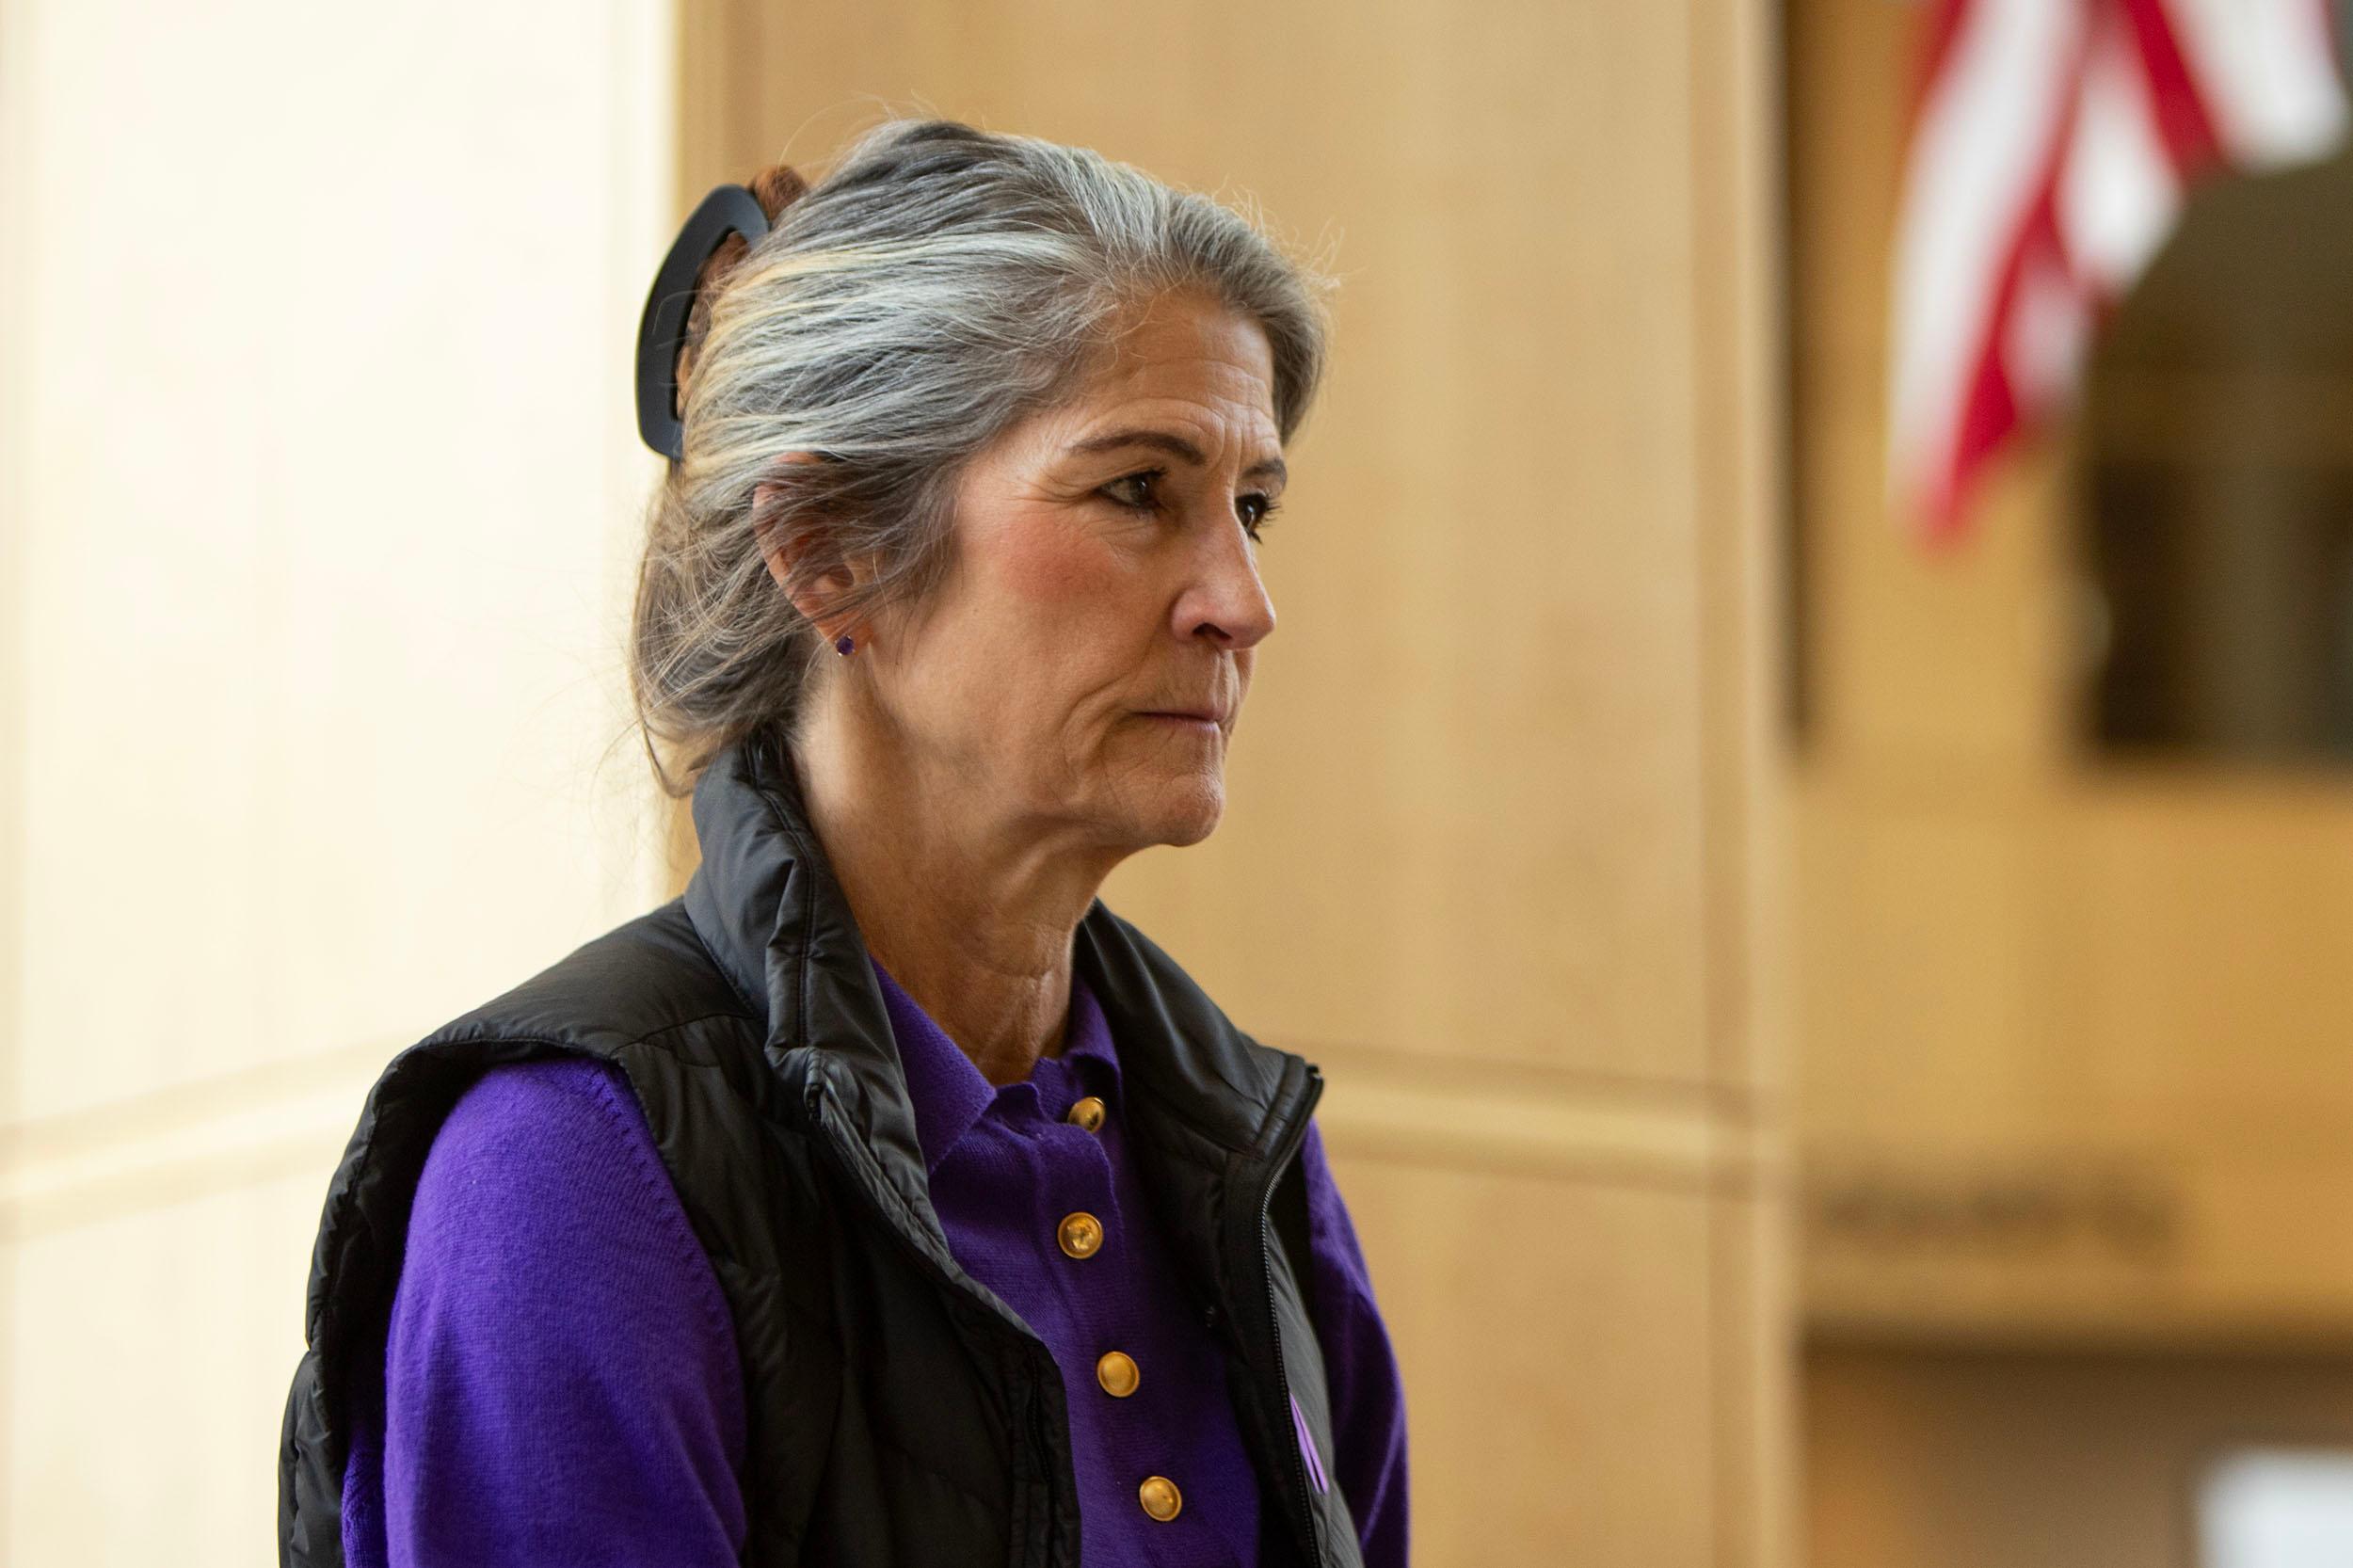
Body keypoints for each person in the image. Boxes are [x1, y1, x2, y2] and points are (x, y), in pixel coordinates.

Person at [279, 116, 1408, 1568]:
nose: (1241, 601)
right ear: (830, 551)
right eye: (1140, 490)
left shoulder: (1253, 1171)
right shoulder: (572, 1170)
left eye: (1252, 508)